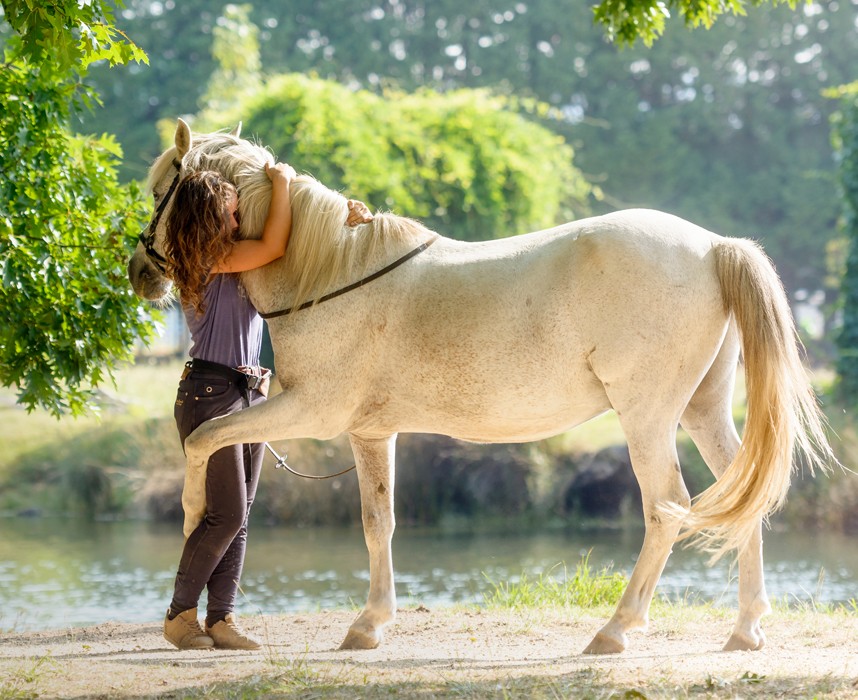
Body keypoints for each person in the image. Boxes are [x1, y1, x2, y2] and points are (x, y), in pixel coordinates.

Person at [161, 164, 372, 650]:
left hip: (250, 390)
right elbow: (274, 244)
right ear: (209, 218)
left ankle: (220, 620)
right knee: (227, 514)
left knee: (240, 513)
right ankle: (179, 615)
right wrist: (281, 183)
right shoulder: (206, 258)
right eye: (232, 215)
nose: (238, 224)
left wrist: (344, 219)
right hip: (211, 392)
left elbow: (291, 251)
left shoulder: (237, 259)